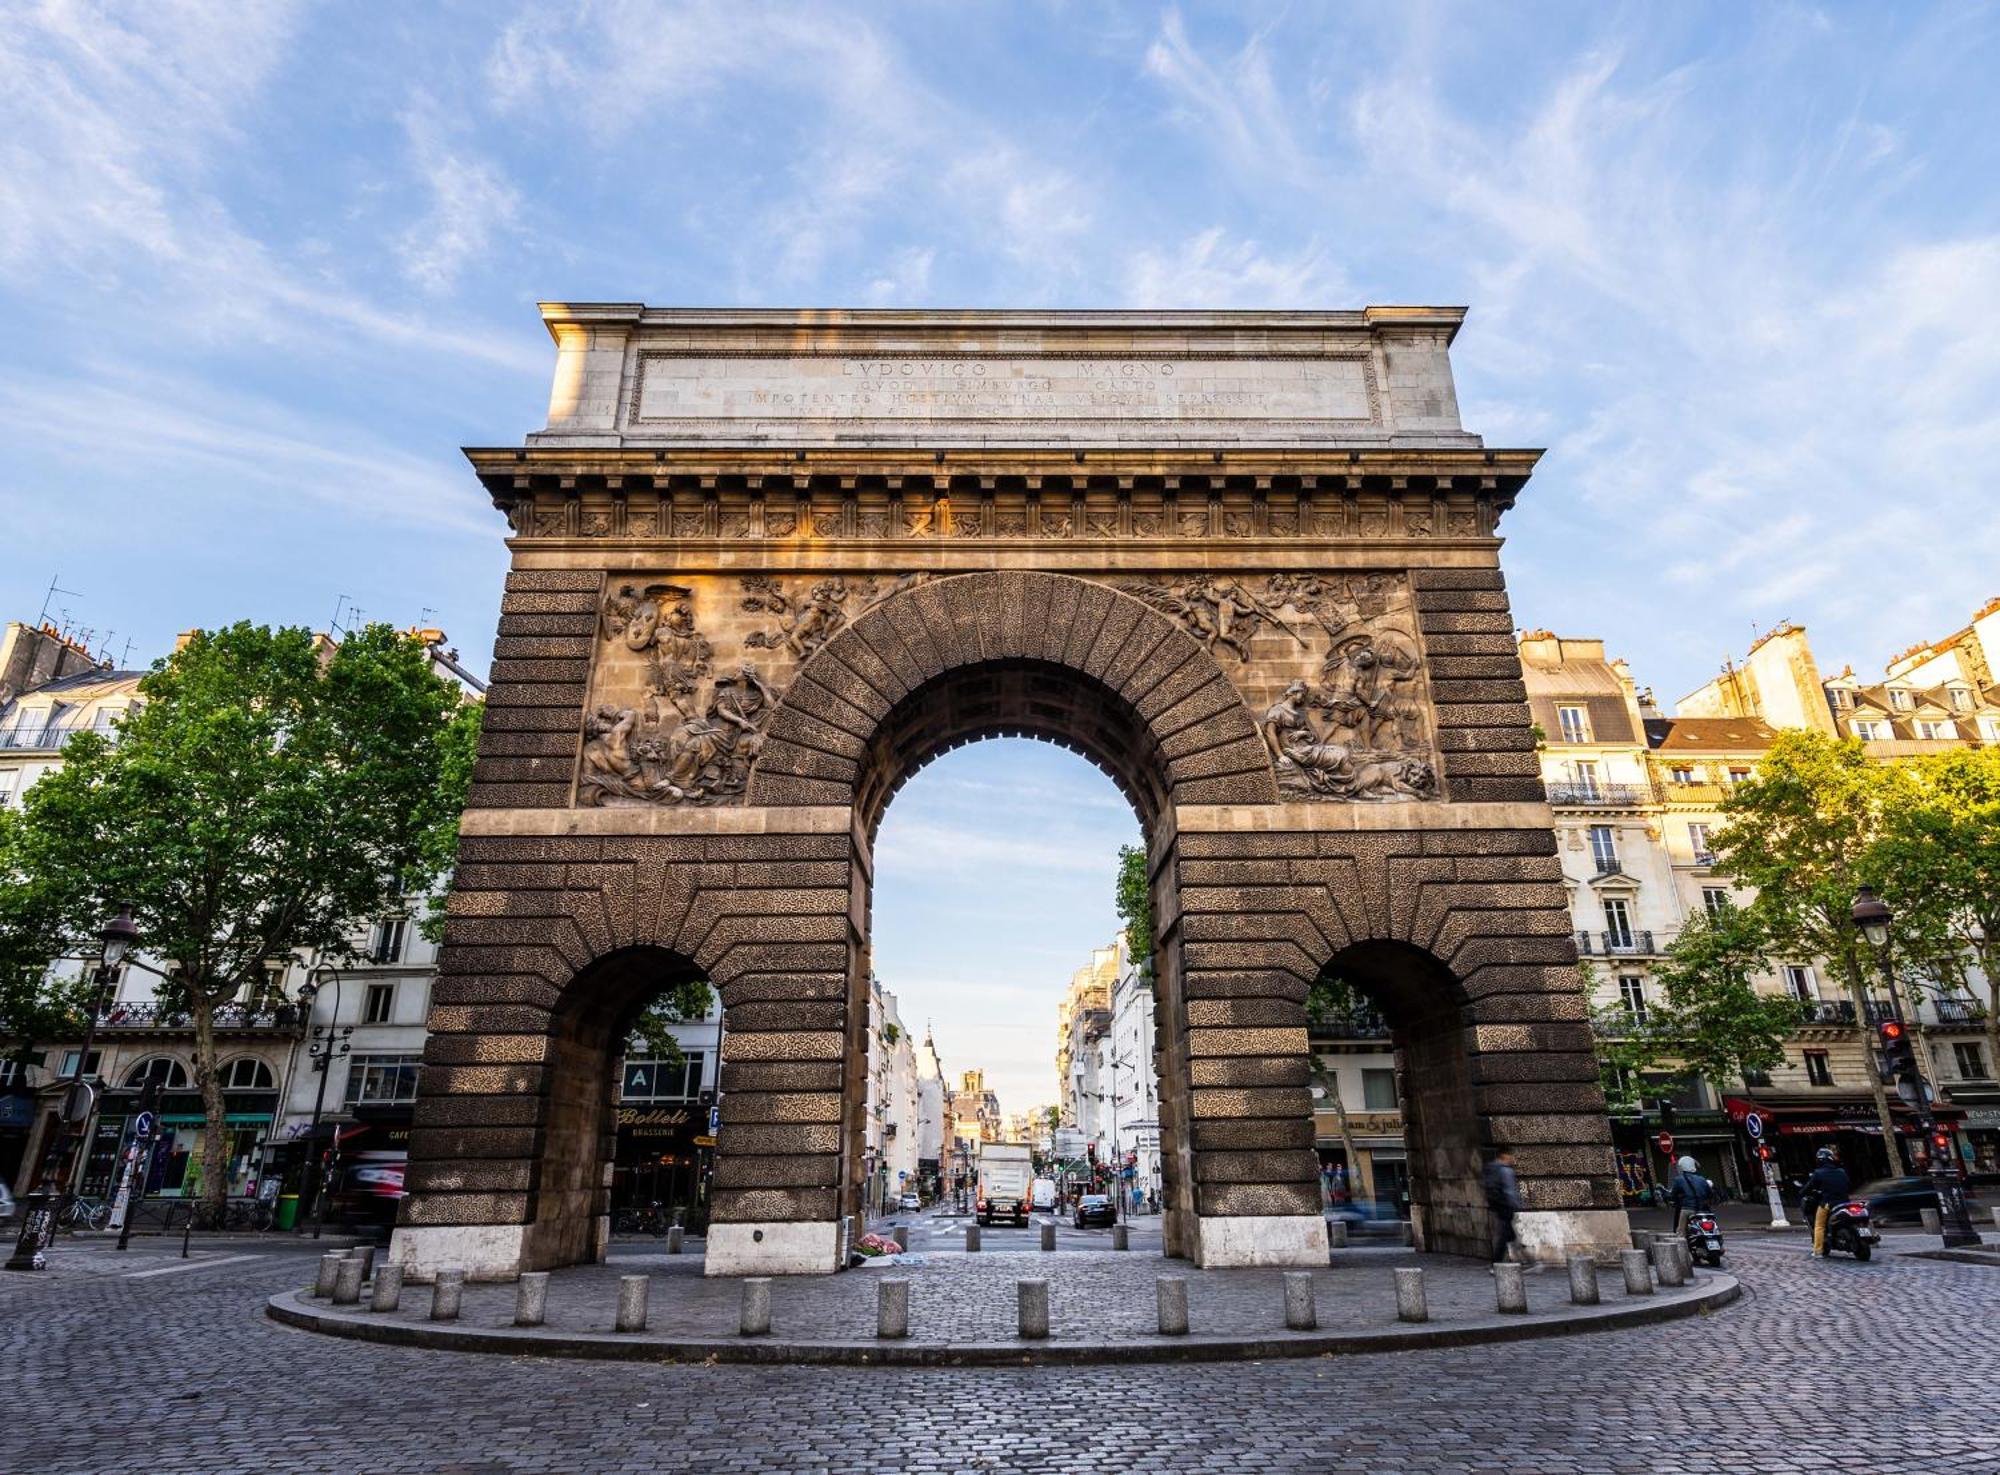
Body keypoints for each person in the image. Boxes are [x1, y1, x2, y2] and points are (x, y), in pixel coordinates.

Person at [1800, 1146, 1851, 1256]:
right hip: (1845, 1203)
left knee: (1819, 1226)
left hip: (1828, 1203)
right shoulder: (1841, 1171)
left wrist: (1802, 1192)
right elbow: (1848, 1184)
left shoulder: (1818, 1173)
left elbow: (1808, 1188)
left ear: (1820, 1160)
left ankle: (1818, 1251)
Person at [1483, 1147, 1524, 1264]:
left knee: (1510, 1235)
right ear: (1504, 1156)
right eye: (1511, 1156)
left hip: (1499, 1206)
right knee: (1505, 1236)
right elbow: (1510, 1191)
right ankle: (1496, 1263)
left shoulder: (1491, 1168)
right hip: (1507, 1206)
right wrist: (1517, 1205)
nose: (1512, 1159)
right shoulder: (1505, 1170)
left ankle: (1524, 1258)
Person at [1667, 1154, 1715, 1236]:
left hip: (1688, 1209)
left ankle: (1682, 1245)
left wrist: (1672, 1199)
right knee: (1713, 1228)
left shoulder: (1679, 1180)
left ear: (1681, 1167)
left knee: (1680, 1233)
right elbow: (1710, 1194)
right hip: (1703, 1210)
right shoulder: (1702, 1179)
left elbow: (1673, 1195)